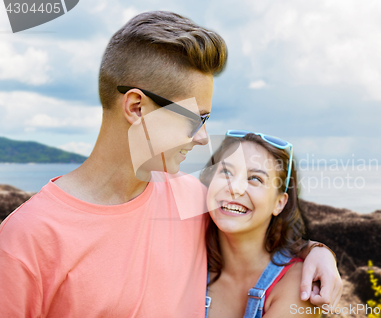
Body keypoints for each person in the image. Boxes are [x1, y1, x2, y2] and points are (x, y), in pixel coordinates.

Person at [0, 11, 341, 317]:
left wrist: (319, 252)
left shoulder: (193, 199)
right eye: (195, 119)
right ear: (136, 108)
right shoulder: (25, 241)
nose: (203, 138)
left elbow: (262, 234)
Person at [200, 131, 327, 318]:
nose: (234, 188)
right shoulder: (187, 260)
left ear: (279, 203)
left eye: (255, 179)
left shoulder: (299, 286)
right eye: (226, 172)